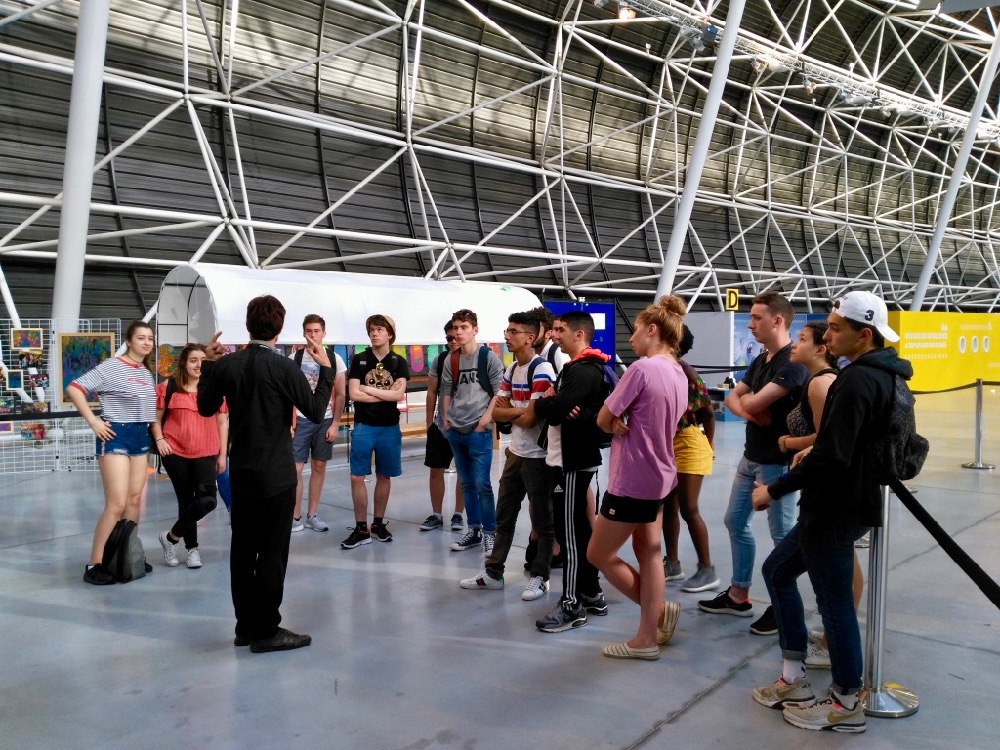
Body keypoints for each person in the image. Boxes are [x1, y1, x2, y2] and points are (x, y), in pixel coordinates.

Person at [749, 290, 907, 733]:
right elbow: (841, 445)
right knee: (779, 572)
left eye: (836, 328)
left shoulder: (857, 381)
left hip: (836, 506)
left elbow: (834, 454)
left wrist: (774, 489)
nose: (828, 335)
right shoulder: (878, 375)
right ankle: (794, 676)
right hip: (839, 504)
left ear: (865, 334)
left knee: (835, 604)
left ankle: (844, 702)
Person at [198, 295, 334, 653]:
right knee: (272, 553)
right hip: (276, 474)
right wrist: (326, 372)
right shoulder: (284, 367)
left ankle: (245, 627)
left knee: (242, 552)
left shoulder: (228, 365)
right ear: (280, 327)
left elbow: (205, 407)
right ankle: (266, 630)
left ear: (248, 325)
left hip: (242, 473)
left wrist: (209, 365)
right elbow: (315, 410)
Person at [699, 292, 807, 636]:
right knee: (735, 521)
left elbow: (753, 399)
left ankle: (782, 607)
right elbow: (734, 396)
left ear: (778, 320)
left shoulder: (794, 363)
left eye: (757, 317)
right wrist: (749, 411)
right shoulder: (762, 360)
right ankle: (738, 594)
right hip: (751, 456)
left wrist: (748, 405)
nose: (750, 324)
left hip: (778, 463)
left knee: (783, 537)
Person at [589, 296, 688, 660]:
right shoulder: (678, 371)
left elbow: (603, 419)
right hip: (661, 475)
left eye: (635, 331)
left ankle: (655, 619)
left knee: (599, 553)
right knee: (649, 551)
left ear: (652, 330)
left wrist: (614, 421)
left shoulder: (642, 369)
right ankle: (649, 630)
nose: (630, 338)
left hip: (632, 478)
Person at [775, 321, 862, 670]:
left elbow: (827, 438)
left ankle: (832, 648)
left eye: (802, 339)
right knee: (840, 567)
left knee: (832, 575)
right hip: (825, 490)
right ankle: (831, 639)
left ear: (820, 349)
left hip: (829, 492)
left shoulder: (820, 384)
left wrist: (788, 442)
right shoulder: (819, 381)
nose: (794, 345)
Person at [459, 312, 557, 601]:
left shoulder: (542, 369)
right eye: (507, 330)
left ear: (530, 337)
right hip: (515, 453)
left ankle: (541, 576)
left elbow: (529, 419)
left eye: (514, 331)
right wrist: (518, 410)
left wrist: (511, 410)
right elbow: (498, 413)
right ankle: (493, 573)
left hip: (538, 457)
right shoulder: (512, 368)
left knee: (543, 520)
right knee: (504, 516)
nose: (507, 336)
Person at [531, 312, 609, 633]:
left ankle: (571, 604)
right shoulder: (574, 369)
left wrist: (547, 402)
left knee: (571, 536)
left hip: (573, 462)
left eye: (560, 329)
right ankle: (591, 592)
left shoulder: (583, 370)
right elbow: (556, 407)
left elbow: (550, 410)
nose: (554, 334)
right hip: (566, 459)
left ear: (579, 335)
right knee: (577, 530)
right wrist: (552, 402)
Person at [68, 320, 157, 585]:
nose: (146, 342)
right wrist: (94, 421)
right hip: (115, 435)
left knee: (133, 500)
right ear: (129, 341)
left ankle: (126, 555)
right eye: (141, 338)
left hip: (140, 436)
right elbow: (74, 388)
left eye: (150, 338)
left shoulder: (145, 372)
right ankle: (94, 563)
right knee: (116, 503)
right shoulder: (112, 366)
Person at [152, 343, 228, 570]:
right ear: (184, 363)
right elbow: (156, 419)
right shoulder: (169, 386)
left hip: (206, 451)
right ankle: (192, 549)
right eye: (193, 360)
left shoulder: (215, 389)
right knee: (186, 501)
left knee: (207, 501)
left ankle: (170, 538)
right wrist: (160, 439)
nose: (198, 365)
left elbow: (222, 423)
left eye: (202, 360)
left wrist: (222, 454)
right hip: (175, 452)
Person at [440, 309, 504, 555]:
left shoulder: (488, 357)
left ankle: (490, 533)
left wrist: (484, 421)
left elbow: (499, 392)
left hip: (478, 429)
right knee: (466, 483)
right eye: (456, 327)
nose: (458, 332)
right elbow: (446, 390)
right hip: (456, 428)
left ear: (475, 330)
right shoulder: (452, 359)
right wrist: (446, 419)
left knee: (482, 484)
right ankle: (474, 530)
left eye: (464, 327)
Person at [662, 325, 719, 593]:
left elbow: (708, 412)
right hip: (668, 444)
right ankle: (673, 564)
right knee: (668, 507)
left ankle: (707, 569)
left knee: (688, 508)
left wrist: (709, 444)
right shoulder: (661, 367)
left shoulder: (685, 371)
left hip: (688, 443)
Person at [343, 314, 409, 548]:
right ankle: (361, 528)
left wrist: (366, 388)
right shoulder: (360, 359)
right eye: (372, 329)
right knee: (356, 476)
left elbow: (397, 395)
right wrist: (384, 394)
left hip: (389, 427)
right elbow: (353, 394)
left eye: (380, 329)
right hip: (364, 425)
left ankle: (378, 524)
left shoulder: (398, 362)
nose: (374, 333)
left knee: (384, 475)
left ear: (390, 334)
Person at [289, 314, 347, 533]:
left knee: (319, 465)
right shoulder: (294, 358)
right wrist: (290, 421)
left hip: (325, 419)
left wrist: (336, 423)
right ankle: (294, 516)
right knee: (295, 468)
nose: (312, 335)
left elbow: (341, 394)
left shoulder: (334, 358)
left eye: (316, 331)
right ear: (303, 333)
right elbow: (288, 394)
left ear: (324, 333)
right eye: (309, 331)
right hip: (301, 419)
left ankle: (312, 514)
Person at [524, 305, 568, 570]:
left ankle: (557, 546)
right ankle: (538, 537)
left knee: (553, 496)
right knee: (539, 495)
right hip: (538, 439)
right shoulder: (534, 357)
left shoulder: (556, 354)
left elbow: (563, 394)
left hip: (553, 441)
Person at [419, 320, 465, 532]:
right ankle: (437, 514)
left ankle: (458, 514)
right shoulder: (440, 360)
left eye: (456, 337)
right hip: (441, 425)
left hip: (466, 425)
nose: (453, 341)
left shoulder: (474, 359)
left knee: (464, 471)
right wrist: (429, 423)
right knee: (436, 469)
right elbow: (431, 392)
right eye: (449, 338)